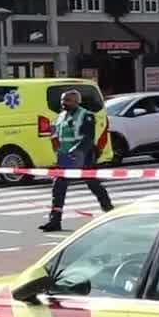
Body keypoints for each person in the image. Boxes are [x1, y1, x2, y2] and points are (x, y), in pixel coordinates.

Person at [41, 88, 112, 232]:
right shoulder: (61, 116)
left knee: (93, 184)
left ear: (76, 101)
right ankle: (55, 220)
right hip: (65, 156)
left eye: (67, 100)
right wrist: (56, 146)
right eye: (62, 100)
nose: (63, 103)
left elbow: (87, 138)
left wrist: (76, 151)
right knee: (58, 187)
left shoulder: (86, 115)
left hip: (83, 155)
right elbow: (56, 134)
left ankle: (109, 211)